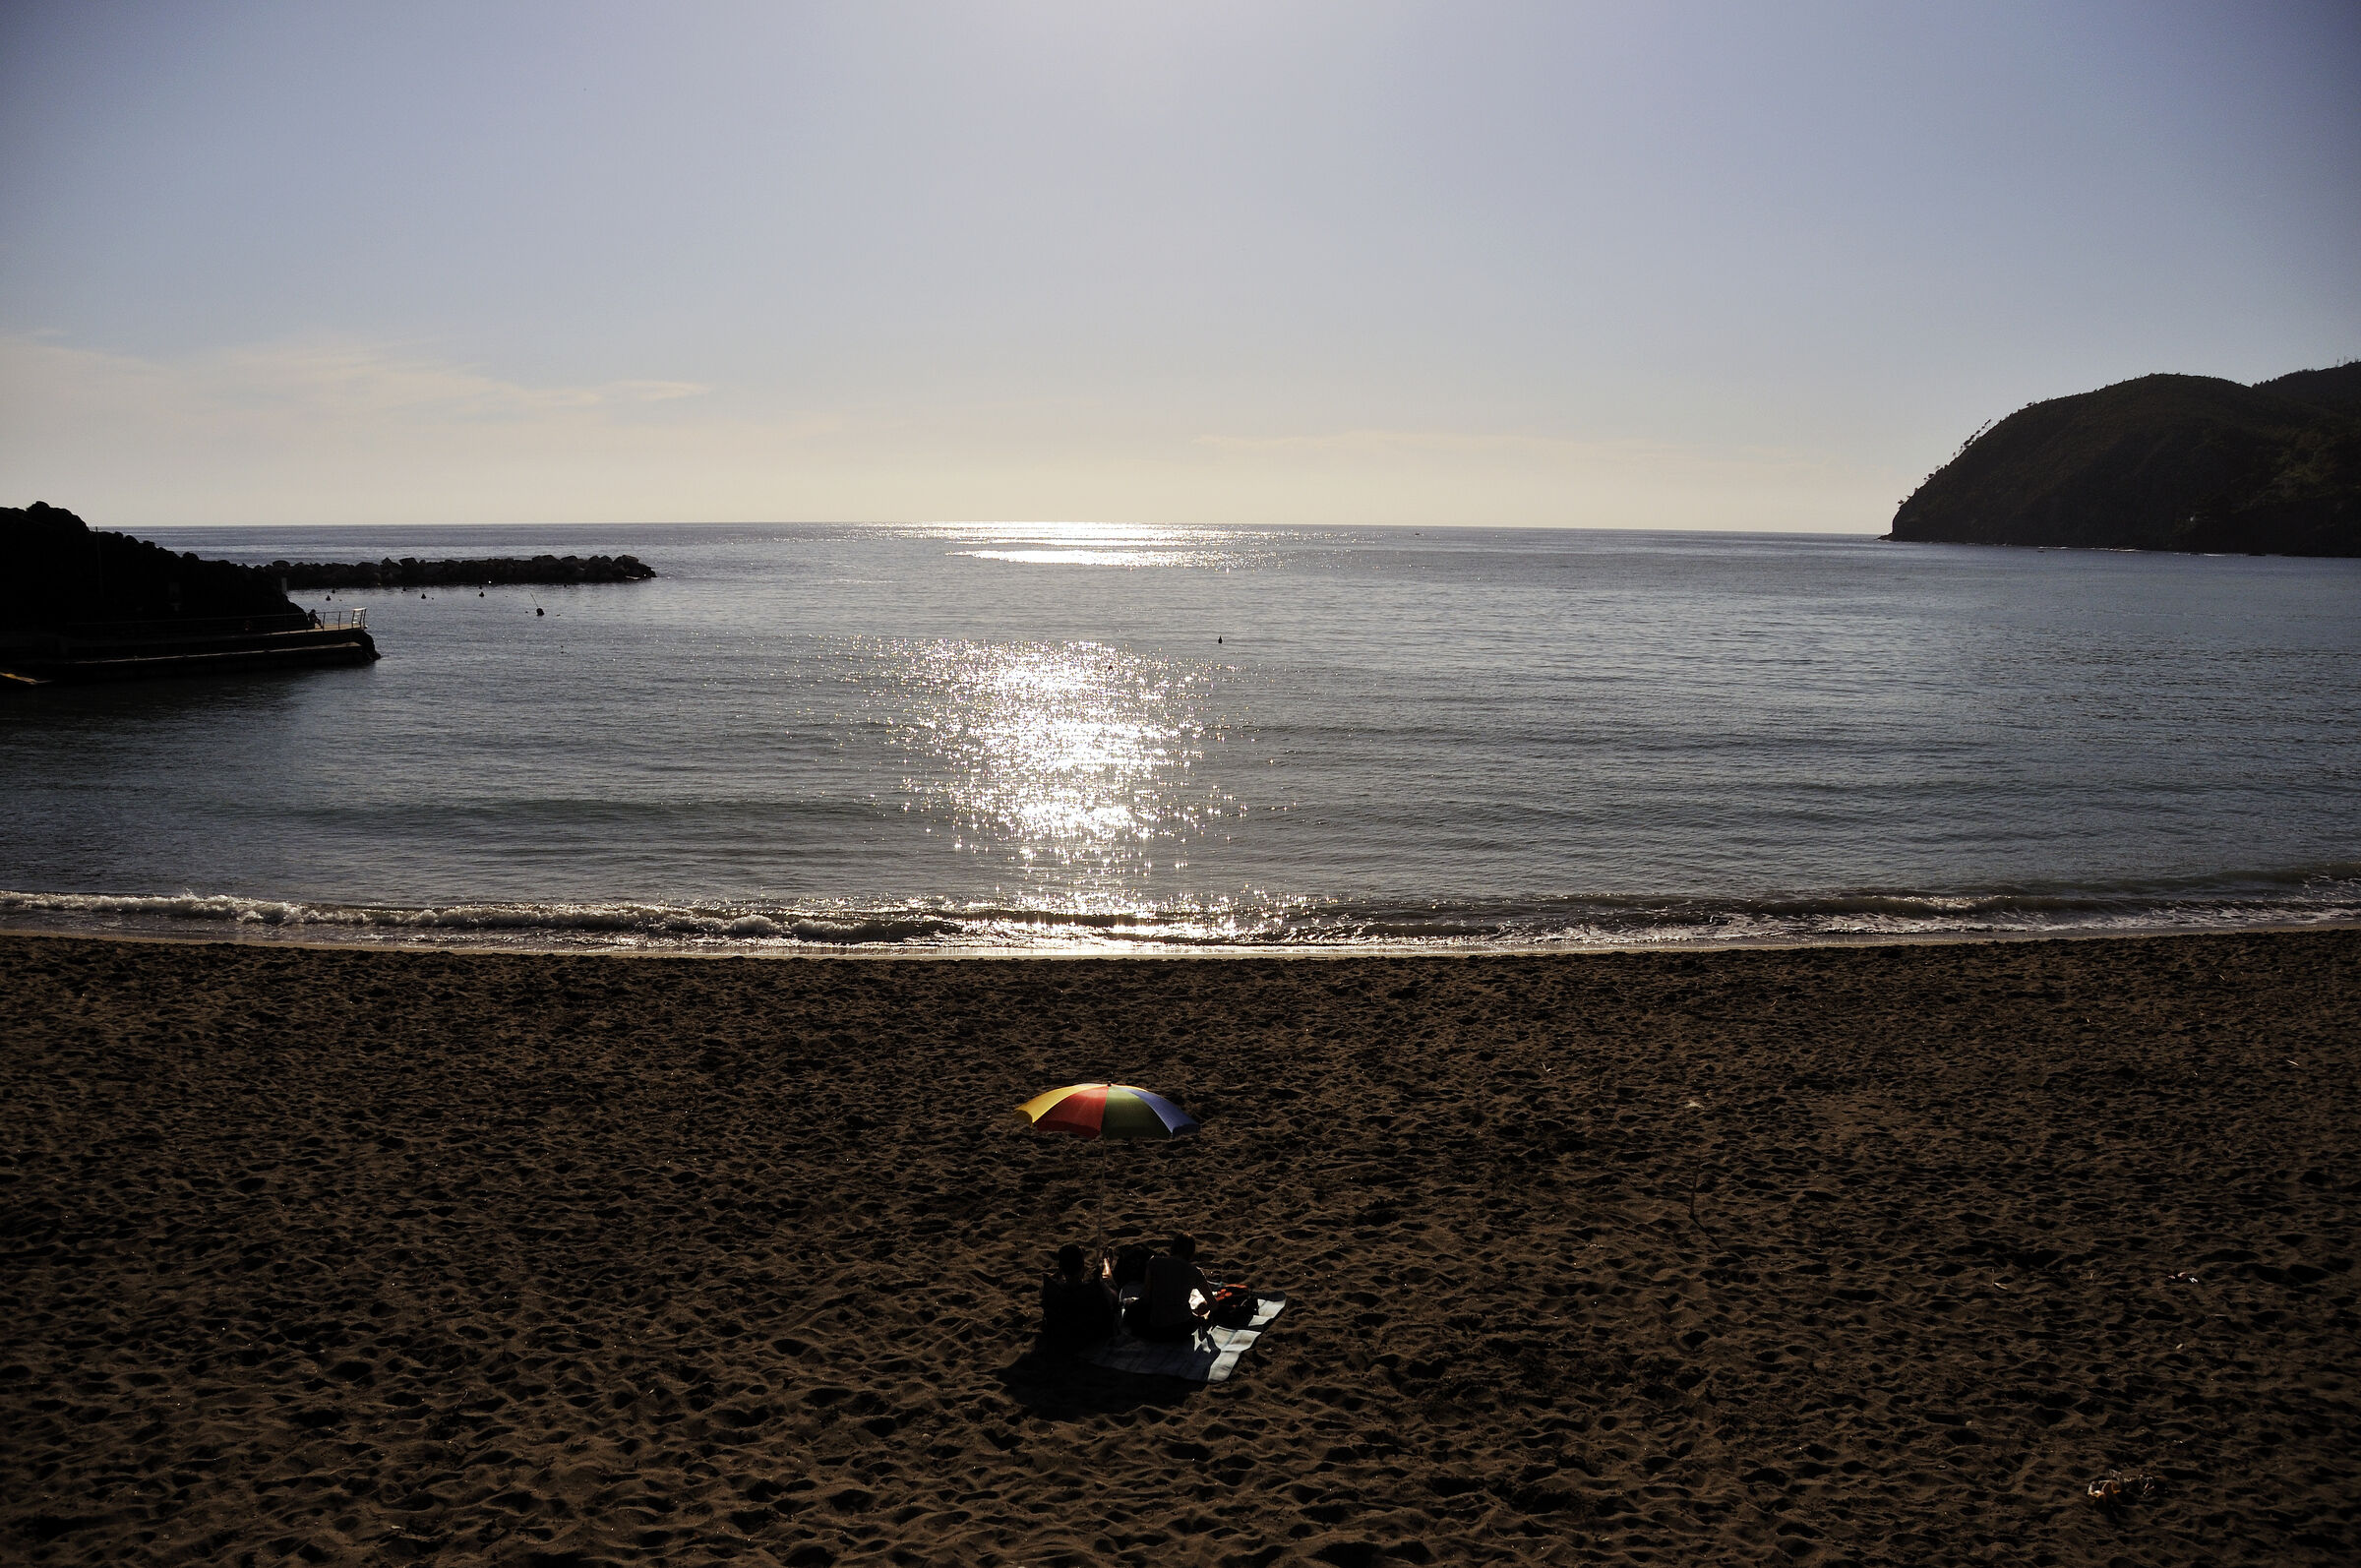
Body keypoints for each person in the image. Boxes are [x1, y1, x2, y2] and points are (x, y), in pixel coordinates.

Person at [1127, 1232, 1214, 1343]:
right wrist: (1205, 1306)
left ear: (1172, 1247)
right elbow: (1213, 1304)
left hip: (1156, 1327)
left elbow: (1147, 1298)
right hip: (1182, 1330)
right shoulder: (1195, 1272)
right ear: (1191, 1253)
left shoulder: (1154, 1262)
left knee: (1132, 1308)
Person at [1039, 1243, 1116, 1354]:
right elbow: (1114, 1297)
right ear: (1083, 1267)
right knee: (1109, 1283)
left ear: (1060, 1268)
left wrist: (1060, 1271)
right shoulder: (1094, 1289)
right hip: (1089, 1340)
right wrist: (1106, 1265)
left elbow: (1045, 1287)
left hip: (1060, 1339)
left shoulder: (1052, 1290)